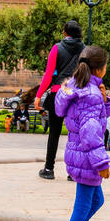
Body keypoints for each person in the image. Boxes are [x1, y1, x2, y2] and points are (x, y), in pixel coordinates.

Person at [53, 45, 110, 221]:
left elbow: (90, 118)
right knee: (83, 205)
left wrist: (105, 101)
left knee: (96, 201)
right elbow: (90, 130)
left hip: (77, 154)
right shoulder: (90, 94)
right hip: (88, 157)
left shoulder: (79, 87)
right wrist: (102, 164)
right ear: (101, 68)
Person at [33, 20, 86, 180]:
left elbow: (49, 74)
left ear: (65, 32)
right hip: (76, 95)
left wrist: (38, 95)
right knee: (74, 134)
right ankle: (73, 172)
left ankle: (49, 169)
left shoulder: (57, 48)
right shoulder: (85, 50)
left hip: (58, 94)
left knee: (54, 132)